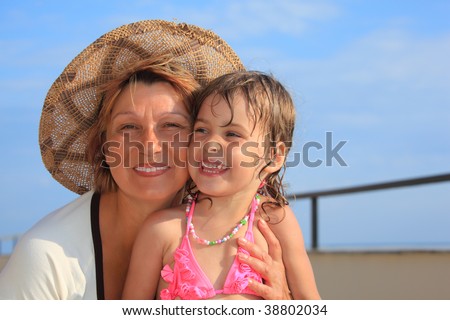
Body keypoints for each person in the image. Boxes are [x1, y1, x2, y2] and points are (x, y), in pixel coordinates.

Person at [0, 20, 291, 299]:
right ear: (103, 146)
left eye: (172, 126)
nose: (150, 146)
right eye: (129, 127)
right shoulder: (45, 257)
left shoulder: (252, 230)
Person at [122, 71, 321, 300]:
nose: (211, 145)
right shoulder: (161, 230)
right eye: (202, 130)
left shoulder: (275, 221)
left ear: (274, 157)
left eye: (232, 134)